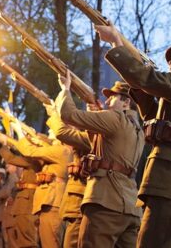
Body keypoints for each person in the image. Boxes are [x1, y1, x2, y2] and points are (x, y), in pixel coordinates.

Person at [93, 25, 171, 248]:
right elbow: (154, 119)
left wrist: (116, 44)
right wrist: (139, 83)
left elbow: (148, 79)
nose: (170, 63)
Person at [55, 77, 145, 248]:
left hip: (105, 202)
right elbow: (107, 147)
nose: (107, 100)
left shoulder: (114, 119)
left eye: (113, 97)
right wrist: (96, 117)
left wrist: (65, 89)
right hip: (131, 208)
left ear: (126, 102)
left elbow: (68, 114)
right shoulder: (138, 130)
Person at [5, 129, 71, 248]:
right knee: (46, 241)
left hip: (52, 202)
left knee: (47, 242)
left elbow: (29, 151)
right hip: (47, 202)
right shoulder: (52, 154)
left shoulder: (59, 151)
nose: (50, 130)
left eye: (53, 131)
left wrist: (19, 133)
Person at [43, 101, 91, 248]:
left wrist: (54, 113)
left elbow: (62, 132)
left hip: (79, 203)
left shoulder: (89, 138)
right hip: (74, 203)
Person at [0, 147, 41, 248]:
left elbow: (11, 159)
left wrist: (5, 145)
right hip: (22, 205)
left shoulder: (33, 159)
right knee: (22, 241)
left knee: (28, 242)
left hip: (27, 205)